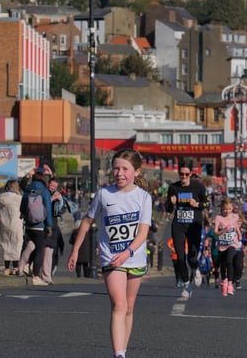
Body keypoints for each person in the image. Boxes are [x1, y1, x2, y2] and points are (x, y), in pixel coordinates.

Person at [67, 149, 152, 358]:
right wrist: (75, 250)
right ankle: (119, 354)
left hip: (135, 257)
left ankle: (123, 348)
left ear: (137, 172)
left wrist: (128, 251)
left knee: (129, 307)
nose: (119, 173)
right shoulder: (104, 194)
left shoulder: (144, 197)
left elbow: (143, 232)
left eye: (125, 169)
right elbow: (87, 221)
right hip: (111, 256)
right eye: (116, 168)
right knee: (119, 304)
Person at [165, 162, 209, 298]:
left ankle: (195, 268)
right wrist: (171, 204)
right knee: (179, 256)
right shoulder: (173, 187)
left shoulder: (198, 187)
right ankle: (186, 285)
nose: (183, 176)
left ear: (190, 174)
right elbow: (167, 208)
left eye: (186, 174)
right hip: (179, 225)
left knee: (192, 256)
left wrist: (198, 204)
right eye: (181, 174)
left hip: (193, 225)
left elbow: (207, 203)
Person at [18, 168, 53, 286]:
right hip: (40, 225)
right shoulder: (44, 191)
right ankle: (36, 276)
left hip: (29, 225)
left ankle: (24, 266)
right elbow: (48, 209)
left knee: (31, 246)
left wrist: (24, 216)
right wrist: (49, 225)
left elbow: (23, 206)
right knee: (39, 250)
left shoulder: (29, 190)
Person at [213, 198, 242, 297]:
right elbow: (215, 233)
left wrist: (239, 234)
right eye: (225, 209)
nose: (227, 211)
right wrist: (224, 230)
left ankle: (230, 283)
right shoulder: (218, 218)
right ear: (221, 209)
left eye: (229, 209)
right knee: (223, 264)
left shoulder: (235, 216)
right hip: (222, 244)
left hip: (232, 243)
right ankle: (224, 281)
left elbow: (236, 225)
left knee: (230, 260)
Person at [0, 180, 24, 275]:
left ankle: (7, 268)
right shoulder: (19, 198)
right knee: (17, 244)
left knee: (6, 244)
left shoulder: (0, 198)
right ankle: (15, 267)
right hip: (16, 223)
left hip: (4, 224)